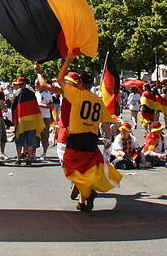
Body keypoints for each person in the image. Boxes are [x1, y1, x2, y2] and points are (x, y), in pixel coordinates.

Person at [37, 57, 121, 213]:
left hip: (76, 138)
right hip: (91, 139)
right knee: (87, 169)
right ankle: (83, 201)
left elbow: (55, 81)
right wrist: (108, 139)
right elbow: (105, 123)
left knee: (71, 169)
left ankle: (87, 191)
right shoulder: (98, 99)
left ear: (80, 83)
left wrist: (68, 60)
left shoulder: (75, 94)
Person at [10, 77, 44, 165]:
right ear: (25, 84)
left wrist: (14, 120)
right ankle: (29, 159)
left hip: (21, 120)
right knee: (30, 140)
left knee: (19, 140)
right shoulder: (32, 93)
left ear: (19, 84)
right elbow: (35, 107)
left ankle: (18, 159)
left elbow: (13, 108)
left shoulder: (17, 94)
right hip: (31, 120)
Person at [35, 80, 54, 159]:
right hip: (37, 117)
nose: (36, 86)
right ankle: (33, 153)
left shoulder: (47, 94)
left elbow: (50, 106)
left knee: (44, 135)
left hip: (45, 117)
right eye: (35, 84)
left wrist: (39, 105)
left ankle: (44, 153)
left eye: (37, 84)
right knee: (35, 135)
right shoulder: (36, 93)